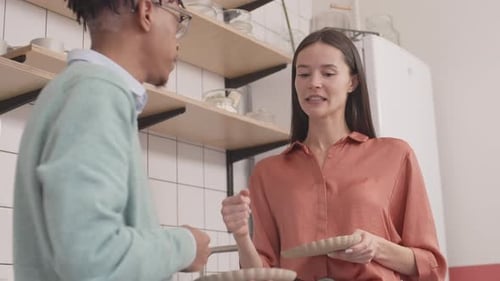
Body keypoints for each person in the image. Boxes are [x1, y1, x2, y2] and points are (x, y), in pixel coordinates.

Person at [221, 28, 447, 281]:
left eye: (328, 73)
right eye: (303, 74)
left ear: (352, 82)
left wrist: (377, 247)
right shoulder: (268, 172)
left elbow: (432, 265)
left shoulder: (395, 155)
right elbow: (264, 275)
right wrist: (241, 235)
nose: (313, 83)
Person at [13, 1, 210, 280]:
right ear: (146, 12)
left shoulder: (73, 89)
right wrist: (185, 246)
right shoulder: (97, 94)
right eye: (179, 20)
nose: (178, 43)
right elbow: (94, 260)